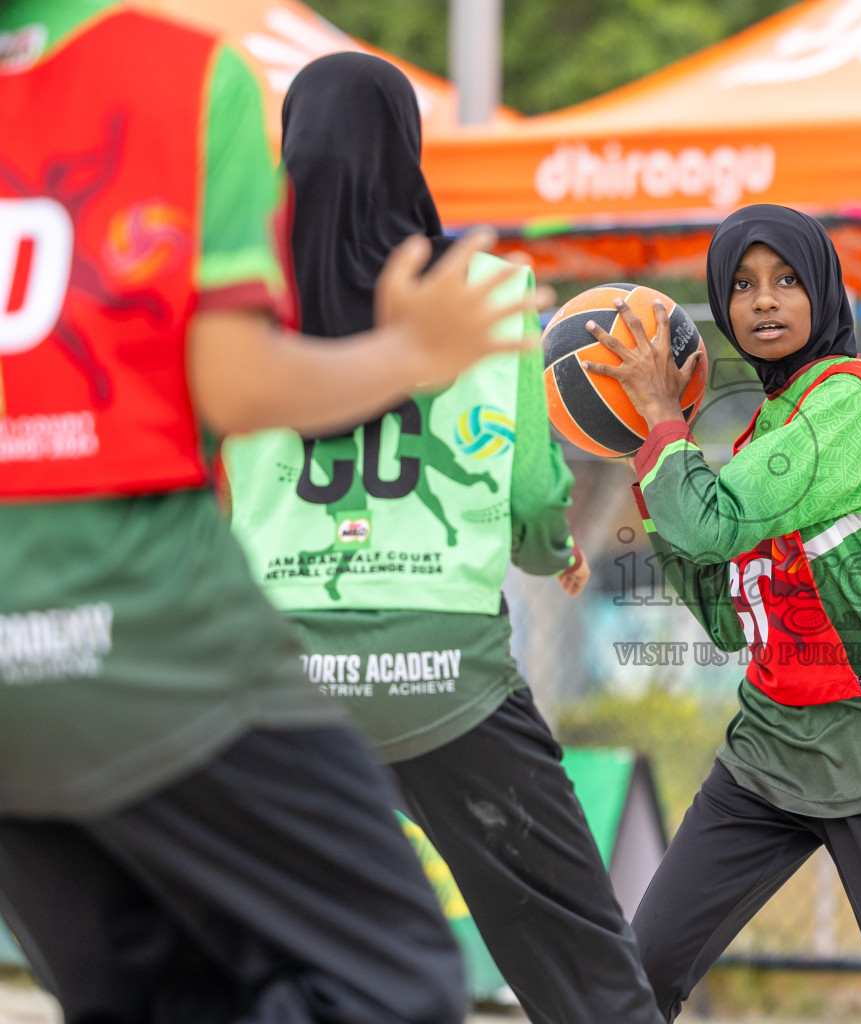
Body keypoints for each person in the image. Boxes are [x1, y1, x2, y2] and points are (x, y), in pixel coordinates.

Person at [0, 3, 532, 1021]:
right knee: (392, 982)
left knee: (154, 995)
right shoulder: (184, 78)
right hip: (150, 635)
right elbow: (233, 382)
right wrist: (412, 357)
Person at [222, 52, 666, 1024]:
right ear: (408, 149)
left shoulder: (239, 306)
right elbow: (535, 497)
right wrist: (555, 551)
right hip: (446, 680)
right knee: (579, 955)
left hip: (281, 679)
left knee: (263, 952)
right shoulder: (491, 295)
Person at [584, 203, 861, 1024]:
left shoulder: (847, 402)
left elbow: (706, 519)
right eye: (742, 285)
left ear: (825, 292)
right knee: (637, 978)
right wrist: (649, 446)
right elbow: (727, 613)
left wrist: (665, 428)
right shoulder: (770, 425)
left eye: (787, 280)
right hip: (773, 750)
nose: (764, 301)